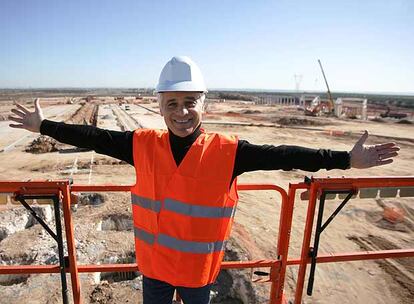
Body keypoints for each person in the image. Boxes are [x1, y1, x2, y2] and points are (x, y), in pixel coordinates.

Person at [9, 56, 399, 304]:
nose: (182, 112)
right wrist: (43, 125)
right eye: (172, 104)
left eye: (190, 102)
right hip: (155, 271)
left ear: (203, 104)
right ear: (160, 107)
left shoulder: (230, 152)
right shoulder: (141, 145)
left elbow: (286, 152)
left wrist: (346, 159)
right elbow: (91, 137)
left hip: (198, 276)